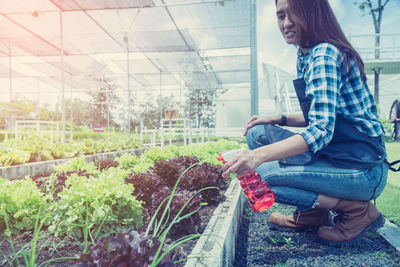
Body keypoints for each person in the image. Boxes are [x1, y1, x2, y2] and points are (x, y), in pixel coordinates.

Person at [221, 0, 388, 246]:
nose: (286, 23)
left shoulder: (324, 55)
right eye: (281, 16)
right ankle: (314, 213)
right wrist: (278, 118)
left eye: (294, 14)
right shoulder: (306, 54)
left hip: (364, 169)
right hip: (338, 154)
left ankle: (357, 210)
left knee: (261, 177)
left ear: (312, 13)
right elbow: (322, 116)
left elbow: (320, 130)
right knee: (258, 133)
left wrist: (257, 157)